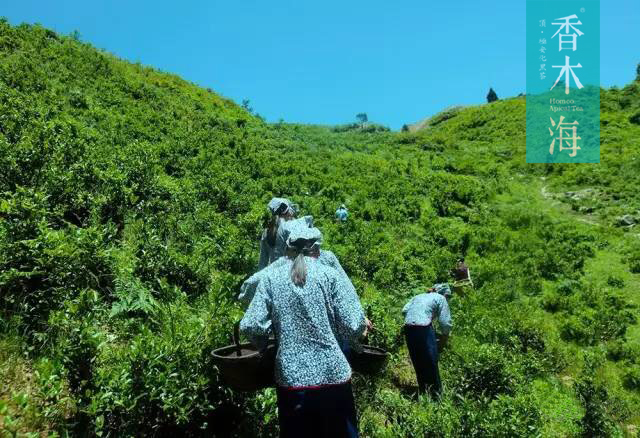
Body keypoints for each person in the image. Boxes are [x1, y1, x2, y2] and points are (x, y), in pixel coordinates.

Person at [240, 226, 368, 438]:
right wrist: (358, 335)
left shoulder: (272, 279)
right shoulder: (330, 275)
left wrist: (265, 346)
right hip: (333, 375)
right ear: (316, 250)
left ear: (288, 250)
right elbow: (352, 325)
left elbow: (251, 325)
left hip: (292, 378)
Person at [402, 283, 453, 399]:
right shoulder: (441, 298)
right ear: (444, 294)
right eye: (448, 297)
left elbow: (404, 310)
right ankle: (436, 396)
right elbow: (445, 323)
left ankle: (423, 390)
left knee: (417, 359)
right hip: (423, 328)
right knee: (431, 361)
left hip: (408, 326)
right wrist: (444, 339)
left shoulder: (419, 296)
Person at [257, 198, 296, 270]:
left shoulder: (266, 231)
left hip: (274, 275)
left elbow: (262, 262)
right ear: (286, 211)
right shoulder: (291, 229)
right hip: (289, 275)